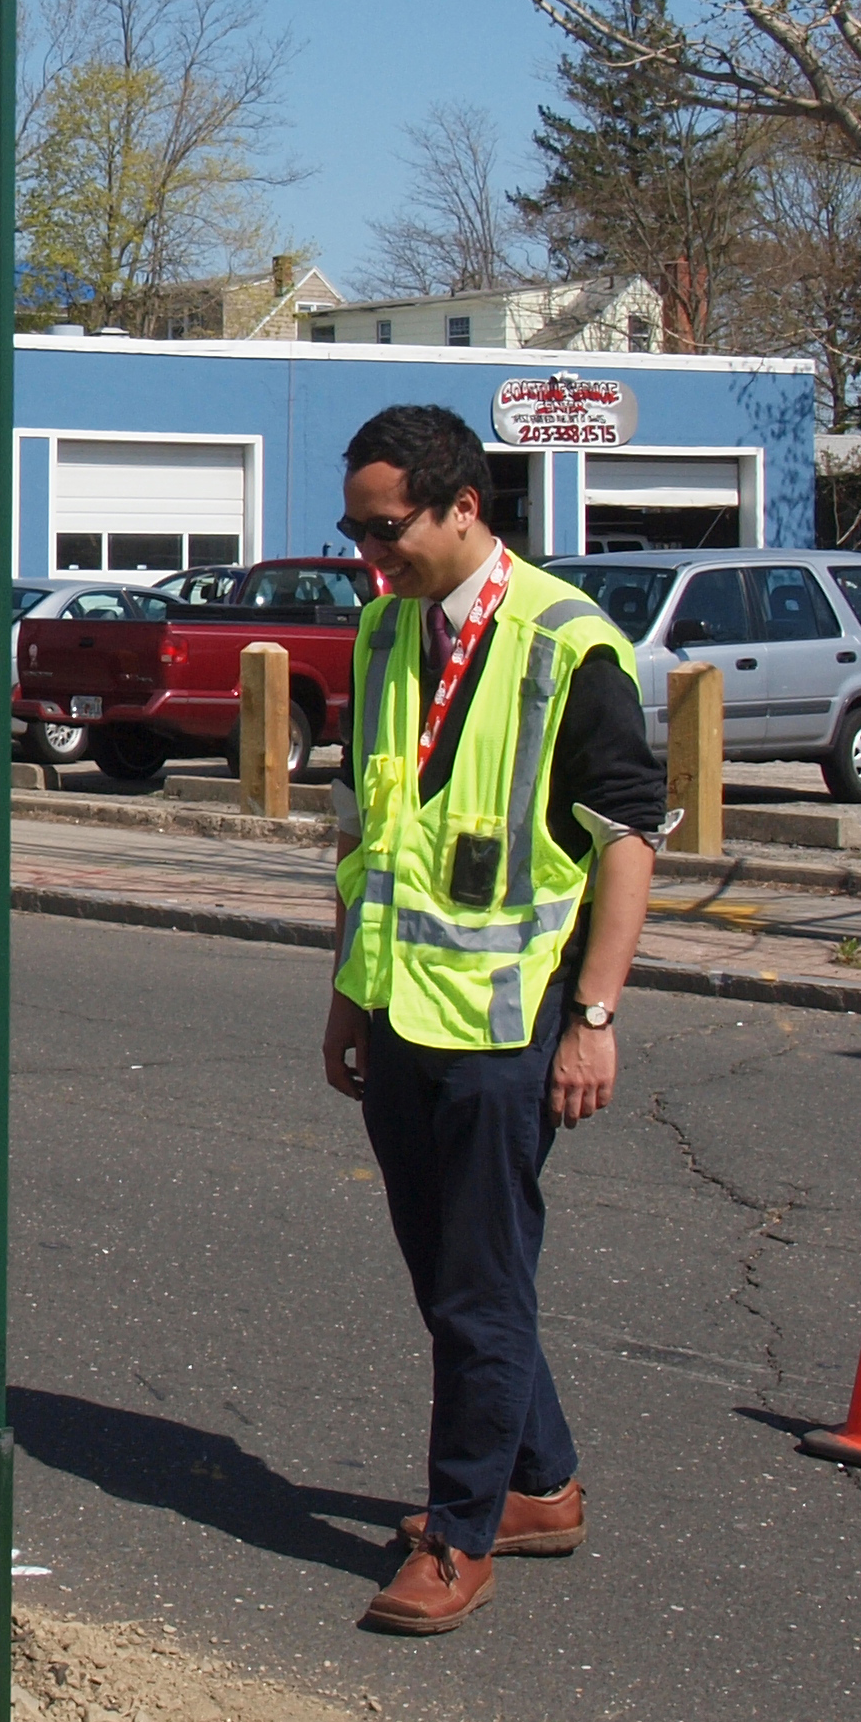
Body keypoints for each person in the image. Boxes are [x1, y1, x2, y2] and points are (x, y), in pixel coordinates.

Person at [318, 402, 662, 1638]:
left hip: (512, 1028)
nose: (371, 555)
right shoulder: (381, 634)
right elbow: (373, 837)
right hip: (404, 1012)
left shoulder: (571, 645)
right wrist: (349, 998)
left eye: (387, 529)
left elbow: (629, 843)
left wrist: (597, 1017)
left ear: (465, 507)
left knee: (477, 1286)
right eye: (356, 532)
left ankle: (460, 1535)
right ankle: (541, 1486)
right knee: (461, 1276)